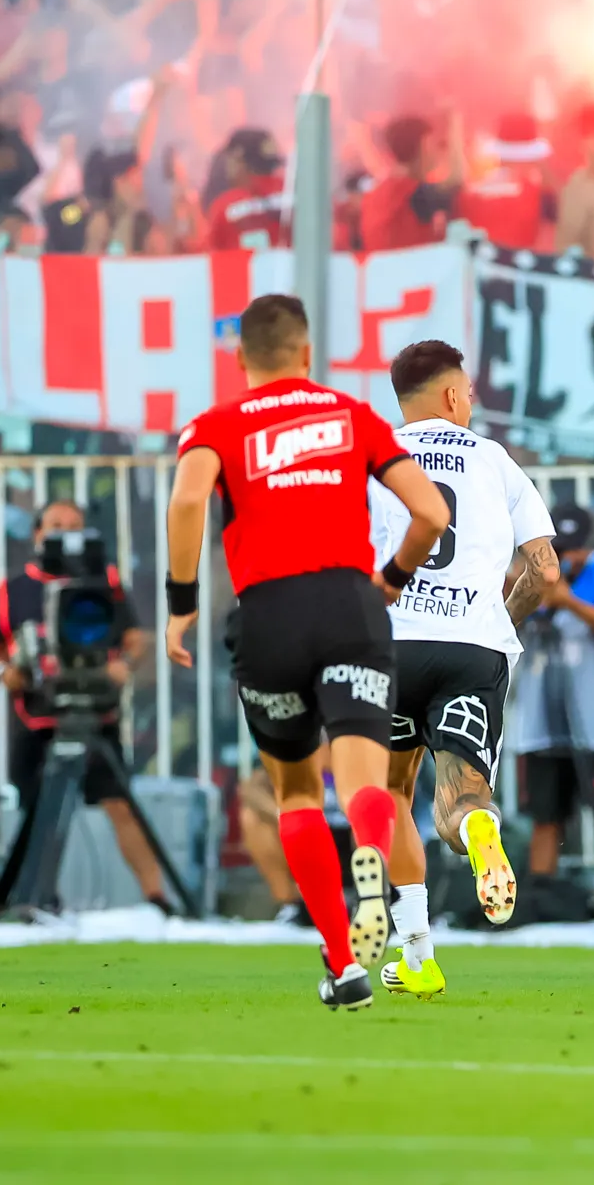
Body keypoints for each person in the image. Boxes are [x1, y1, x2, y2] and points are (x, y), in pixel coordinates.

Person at [164, 293, 448, 1011]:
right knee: (365, 785)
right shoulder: (351, 416)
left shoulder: (215, 426)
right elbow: (432, 512)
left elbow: (189, 502)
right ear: (305, 353)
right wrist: (393, 578)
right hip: (350, 606)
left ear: (241, 360)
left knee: (295, 791)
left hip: (267, 614)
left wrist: (182, 602)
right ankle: (371, 859)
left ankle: (343, 965)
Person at [362, 339, 558, 996]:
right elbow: (545, 569)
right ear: (452, 395)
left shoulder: (376, 457)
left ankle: (417, 956)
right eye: (470, 391)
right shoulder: (495, 460)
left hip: (388, 644)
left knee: (390, 795)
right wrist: (501, 616)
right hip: (472, 646)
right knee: (462, 797)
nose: (472, 401)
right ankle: (478, 828)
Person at [0, 498, 168, 911]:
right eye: (55, 525)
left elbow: (134, 637)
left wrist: (122, 664)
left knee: (120, 804)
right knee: (39, 810)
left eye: (74, 525)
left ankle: (158, 897)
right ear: (37, 533)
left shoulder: (104, 581)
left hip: (95, 713)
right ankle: (35, 896)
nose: (65, 534)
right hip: (36, 717)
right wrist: (4, 672)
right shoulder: (14, 589)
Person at [515, 501, 594, 884]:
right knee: (545, 814)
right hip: (540, 714)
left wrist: (568, 599)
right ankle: (542, 891)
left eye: (575, 549)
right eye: (561, 549)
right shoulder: (528, 574)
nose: (568, 558)